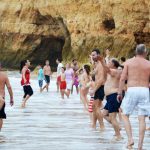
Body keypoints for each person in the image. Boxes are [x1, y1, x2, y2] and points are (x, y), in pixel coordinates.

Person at [117, 44, 150, 150]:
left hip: (132, 89)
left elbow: (122, 79)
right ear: (145, 53)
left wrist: (119, 93)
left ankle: (130, 139)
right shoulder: (148, 64)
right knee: (142, 118)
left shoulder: (128, 62)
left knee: (124, 114)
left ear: (136, 52)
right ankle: (140, 146)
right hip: (144, 90)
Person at [103, 59, 122, 141]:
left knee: (112, 117)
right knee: (104, 114)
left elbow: (106, 69)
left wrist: (101, 61)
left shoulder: (114, 71)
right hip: (110, 97)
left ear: (114, 64)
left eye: (110, 62)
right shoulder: (111, 72)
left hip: (113, 95)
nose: (108, 63)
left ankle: (118, 136)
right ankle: (117, 127)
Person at [0, 62, 14, 131]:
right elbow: (9, 87)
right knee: (0, 117)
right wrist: (11, 98)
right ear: (1, 67)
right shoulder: (4, 76)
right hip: (1, 98)